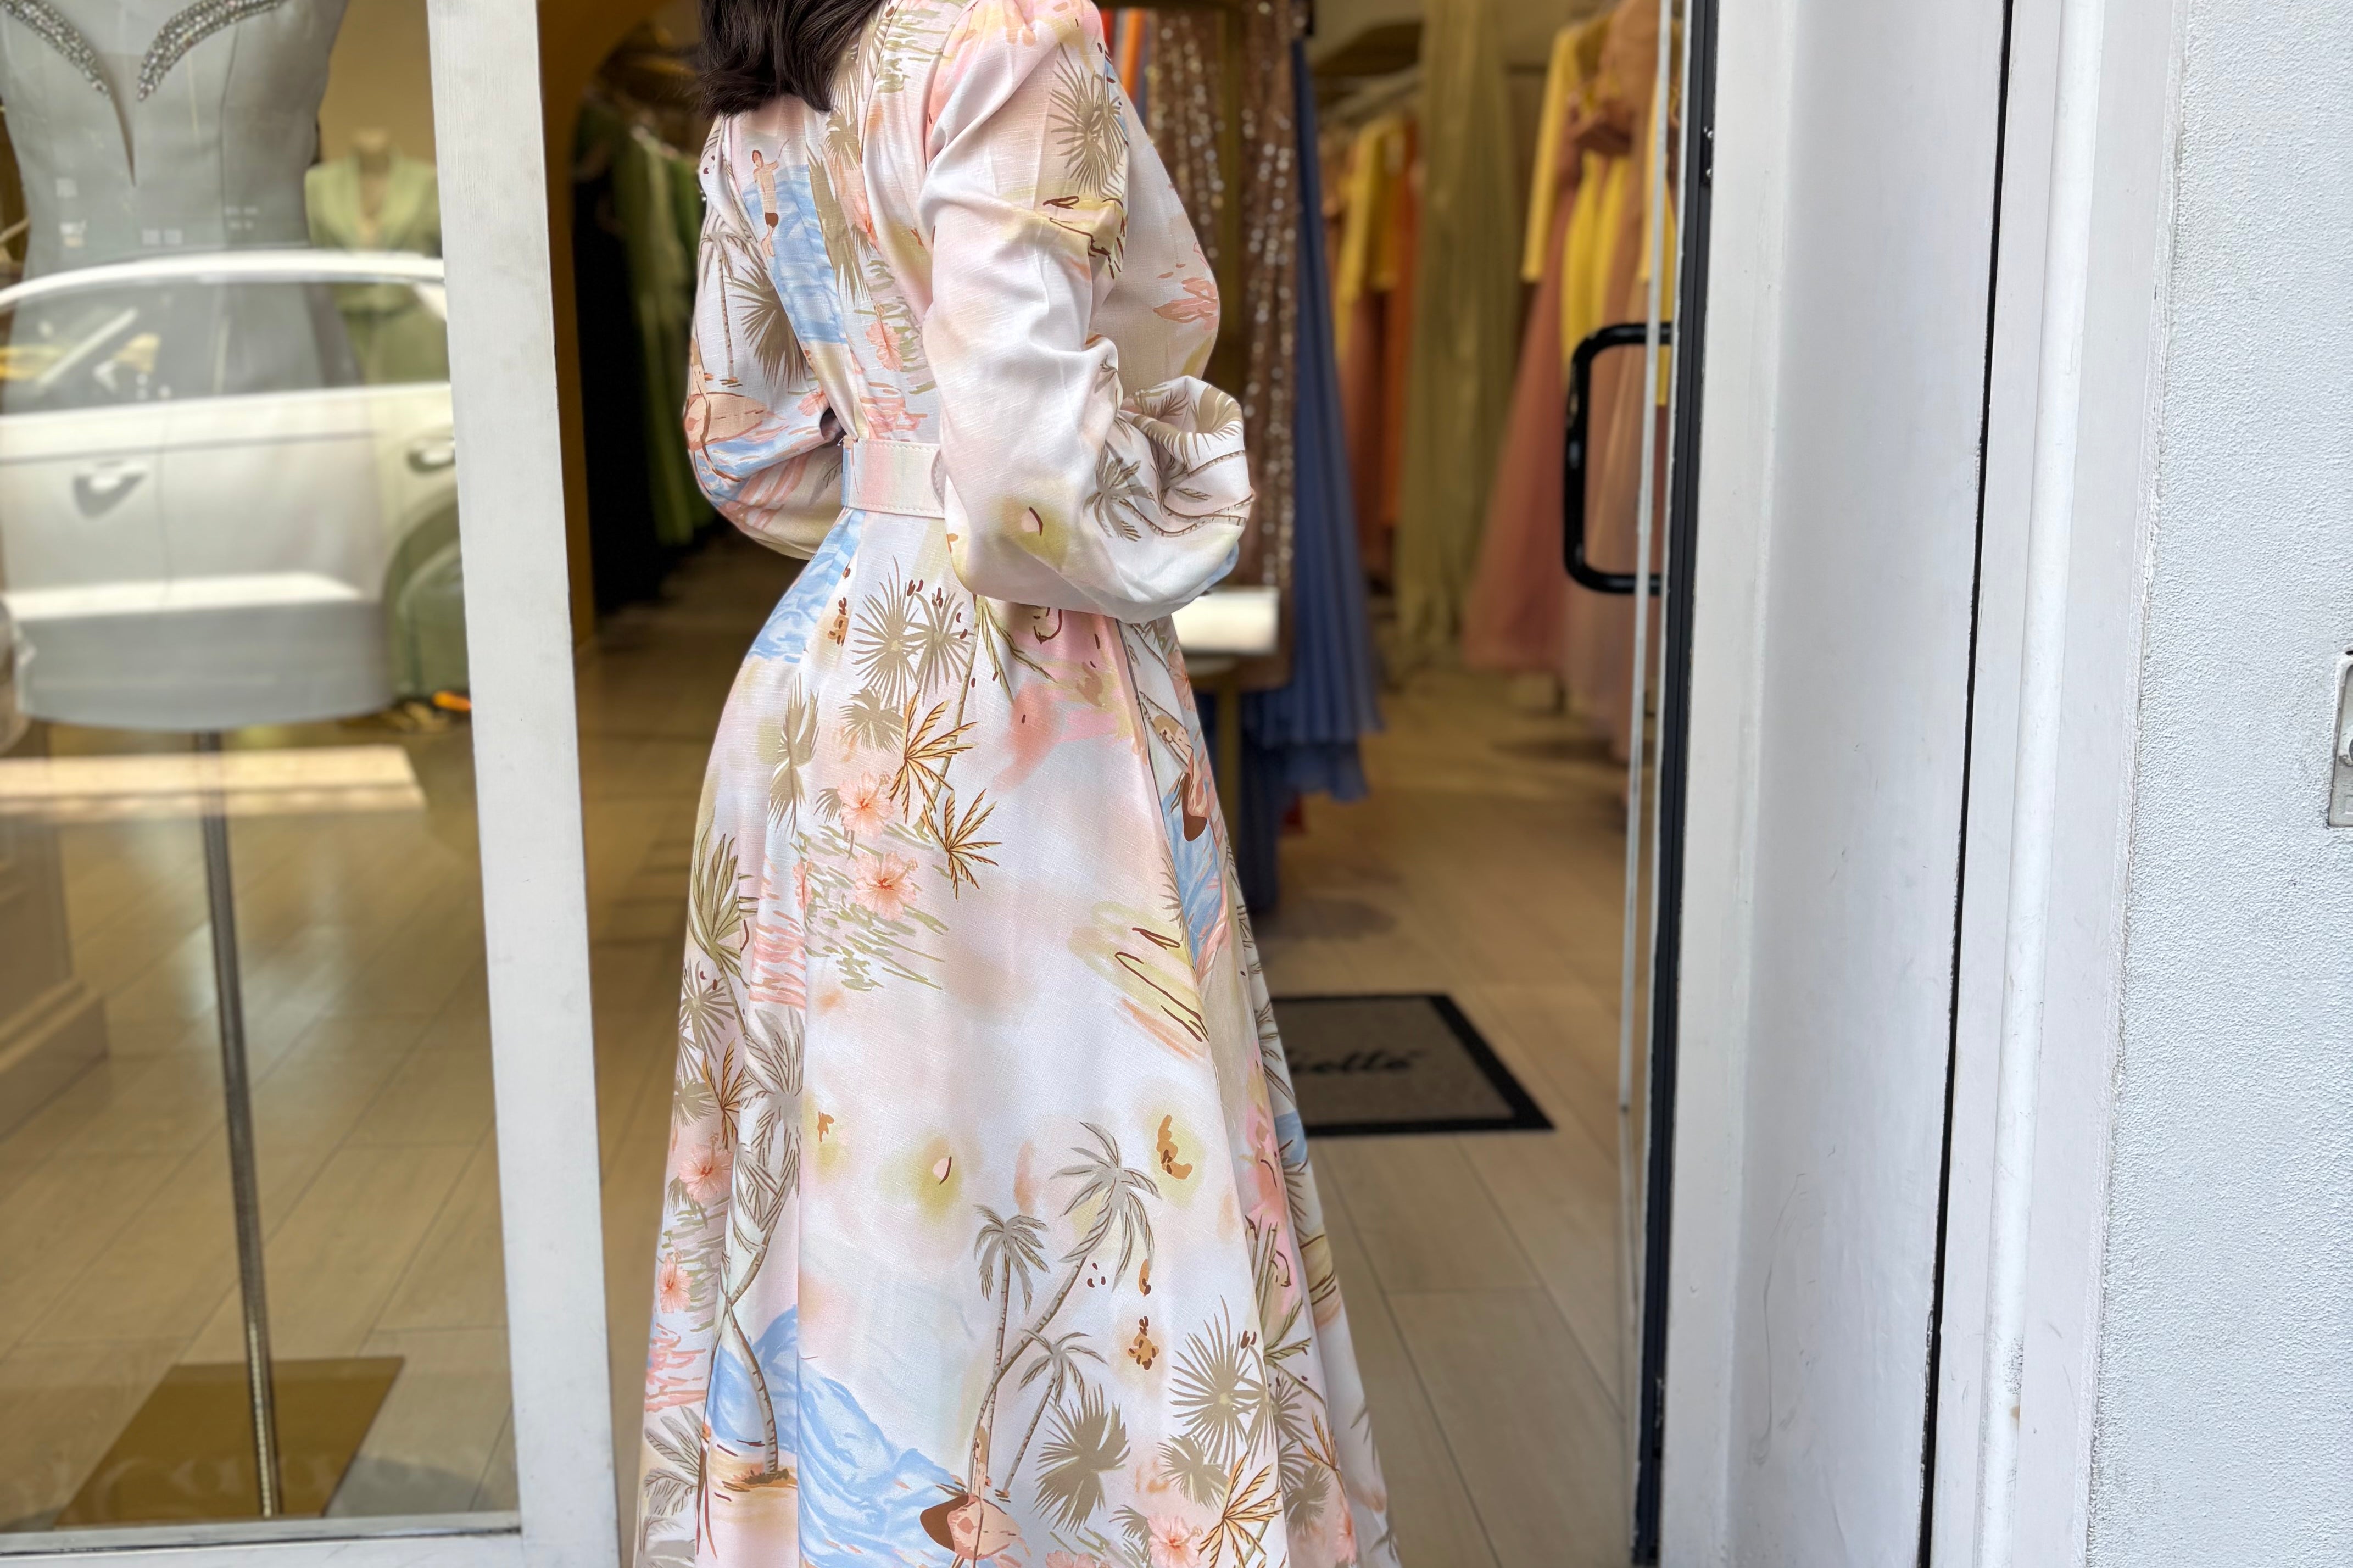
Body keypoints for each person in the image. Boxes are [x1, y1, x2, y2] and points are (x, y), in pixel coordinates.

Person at [634, 2, 1397, 1565]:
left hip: (825, 674)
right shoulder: (1003, 38)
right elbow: (1036, 484)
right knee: (1075, 1177)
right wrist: (1186, 482)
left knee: (866, 1176)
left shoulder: (763, 90)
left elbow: (740, 438)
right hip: (1017, 691)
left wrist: (890, 504)